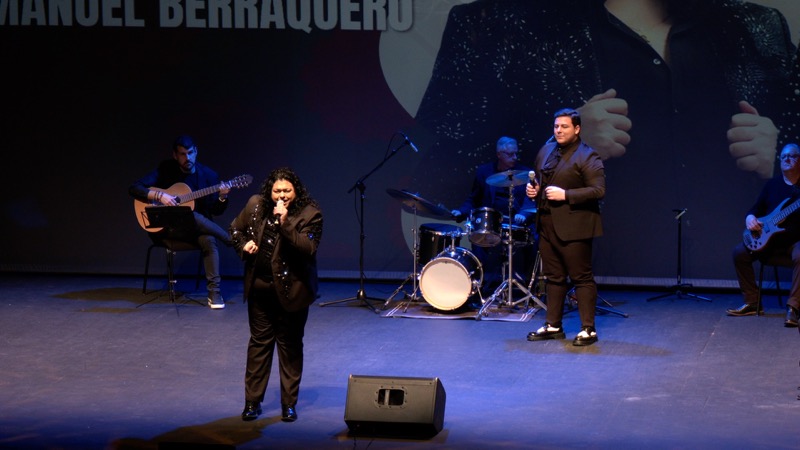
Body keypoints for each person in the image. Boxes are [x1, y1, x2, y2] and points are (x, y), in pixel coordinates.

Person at [415, 0, 797, 282]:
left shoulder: (757, 28)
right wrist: (568, 142)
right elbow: (442, 169)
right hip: (599, 266)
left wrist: (779, 155)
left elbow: (792, 145)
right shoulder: (496, 24)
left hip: (717, 276)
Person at [230, 167, 323, 422]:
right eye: (277, 191)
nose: (281, 196)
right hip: (260, 290)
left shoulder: (310, 214)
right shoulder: (256, 205)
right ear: (269, 191)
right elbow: (235, 229)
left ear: (296, 191)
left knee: (289, 347)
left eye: (287, 191)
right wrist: (243, 245)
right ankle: (252, 402)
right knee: (259, 345)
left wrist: (284, 223)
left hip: (292, 293)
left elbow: (308, 248)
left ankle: (288, 404)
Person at [525, 109, 605, 346]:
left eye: (564, 126)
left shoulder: (587, 155)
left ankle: (588, 329)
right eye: (556, 126)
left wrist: (566, 194)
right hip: (547, 223)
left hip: (575, 226)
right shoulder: (546, 151)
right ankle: (553, 325)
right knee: (554, 277)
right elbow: (541, 183)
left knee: (581, 277)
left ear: (577, 129)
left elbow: (598, 190)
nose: (559, 130)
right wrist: (534, 191)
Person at [129, 135, 232, 309]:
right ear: (175, 155)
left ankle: (214, 293)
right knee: (190, 214)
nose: (187, 158)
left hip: (194, 231)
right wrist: (159, 195)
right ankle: (230, 239)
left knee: (209, 240)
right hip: (167, 230)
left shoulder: (209, 176)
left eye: (190, 153)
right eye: (183, 154)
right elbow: (134, 188)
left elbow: (216, 210)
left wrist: (223, 196)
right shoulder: (166, 169)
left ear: (196, 152)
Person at [450, 136, 535, 298]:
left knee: (535, 240)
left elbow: (530, 199)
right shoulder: (484, 172)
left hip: (517, 222)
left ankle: (530, 287)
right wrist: (461, 212)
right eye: (510, 154)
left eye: (516, 153)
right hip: (492, 222)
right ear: (499, 154)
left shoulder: (525, 173)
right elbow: (474, 198)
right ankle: (477, 288)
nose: (515, 157)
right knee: (478, 240)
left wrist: (524, 214)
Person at [728, 143, 800, 327]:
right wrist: (750, 218)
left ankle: (794, 308)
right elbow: (756, 208)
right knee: (739, 253)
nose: (787, 159)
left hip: (794, 242)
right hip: (769, 241)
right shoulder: (773, 184)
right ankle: (752, 302)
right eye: (784, 156)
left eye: (792, 156)